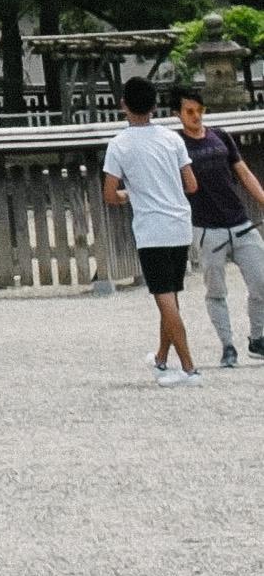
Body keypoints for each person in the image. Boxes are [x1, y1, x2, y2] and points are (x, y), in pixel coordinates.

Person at [100, 73, 202, 379]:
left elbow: (109, 194)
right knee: (170, 294)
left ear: (123, 105)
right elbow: (191, 184)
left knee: (163, 296)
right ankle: (161, 356)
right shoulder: (173, 139)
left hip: (151, 228)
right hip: (180, 222)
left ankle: (189, 368)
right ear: (155, 105)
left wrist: (129, 194)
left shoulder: (119, 145)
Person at [175, 90, 264, 368]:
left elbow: (243, 172)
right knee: (216, 289)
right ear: (177, 115)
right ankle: (227, 345)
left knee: (260, 281)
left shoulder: (221, 136)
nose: (196, 116)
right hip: (207, 226)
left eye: (199, 109)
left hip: (240, 220)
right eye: (189, 111)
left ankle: (258, 337)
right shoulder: (177, 145)